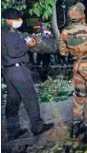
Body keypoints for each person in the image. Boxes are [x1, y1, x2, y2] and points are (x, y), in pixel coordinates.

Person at [1, 8, 54, 141]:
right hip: (18, 70)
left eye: (20, 19)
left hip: (9, 71)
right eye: (16, 19)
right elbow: (14, 53)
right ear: (8, 20)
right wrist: (28, 45)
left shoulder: (4, 32)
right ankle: (37, 127)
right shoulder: (10, 34)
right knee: (31, 98)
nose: (20, 21)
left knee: (13, 101)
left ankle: (13, 131)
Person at [59, 2, 87, 142]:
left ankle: (75, 128)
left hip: (77, 66)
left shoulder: (65, 32)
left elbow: (63, 53)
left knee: (79, 96)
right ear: (83, 16)